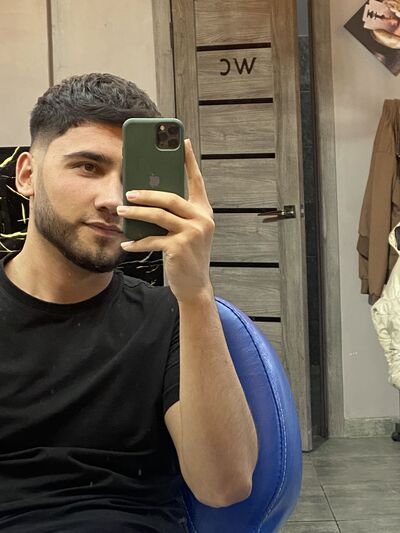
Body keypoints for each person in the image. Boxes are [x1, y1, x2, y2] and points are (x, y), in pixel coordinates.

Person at [0, 73, 258, 532]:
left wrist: (196, 292)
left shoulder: (169, 317)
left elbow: (223, 486)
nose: (112, 200)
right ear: (27, 175)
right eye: (87, 167)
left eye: (131, 178)